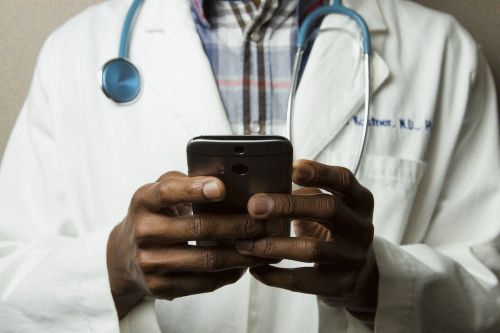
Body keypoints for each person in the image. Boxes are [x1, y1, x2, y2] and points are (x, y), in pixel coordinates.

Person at [0, 0, 499, 332]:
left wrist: (376, 281)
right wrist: (115, 265)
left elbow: (490, 284)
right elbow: (8, 283)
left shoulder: (444, 52)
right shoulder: (76, 51)